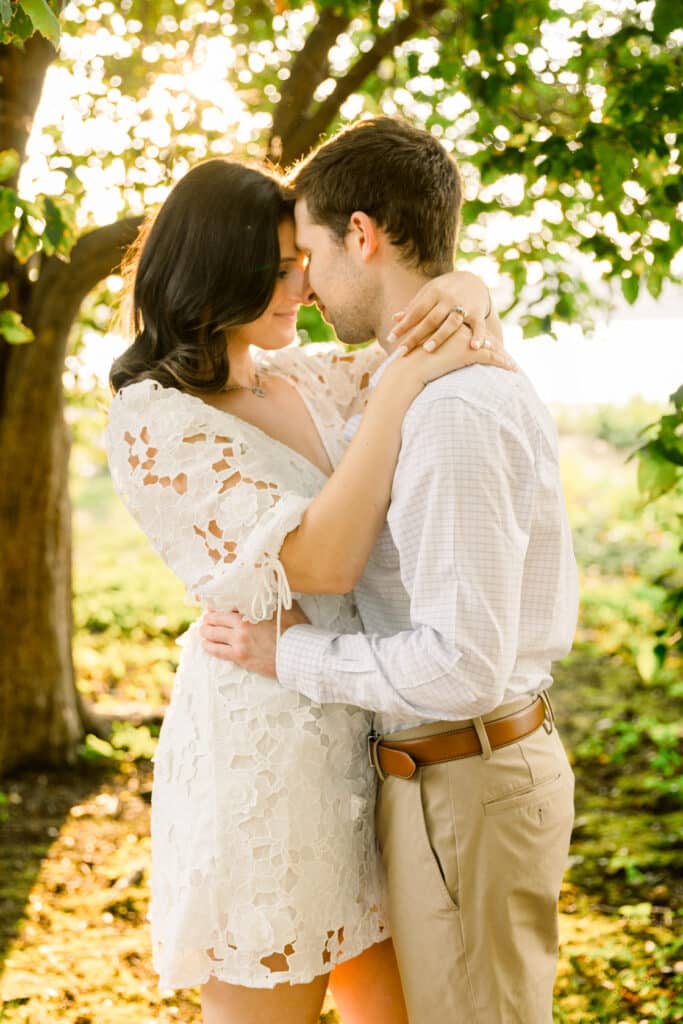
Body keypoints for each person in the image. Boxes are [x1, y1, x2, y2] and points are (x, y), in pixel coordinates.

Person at [104, 156, 512, 1024]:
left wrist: (470, 287)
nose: (306, 285)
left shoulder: (304, 375)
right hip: (270, 756)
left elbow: (448, 336)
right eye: (281, 266)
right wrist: (401, 382)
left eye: (303, 261)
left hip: (377, 736)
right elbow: (320, 562)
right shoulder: (155, 416)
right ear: (215, 266)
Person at [201, 117, 579, 1024]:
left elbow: (461, 665)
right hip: (446, 779)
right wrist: (465, 285)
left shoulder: (450, 410)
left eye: (310, 257)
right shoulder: (417, 373)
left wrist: (284, 657)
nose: (304, 286)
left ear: (361, 236)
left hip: (468, 778)